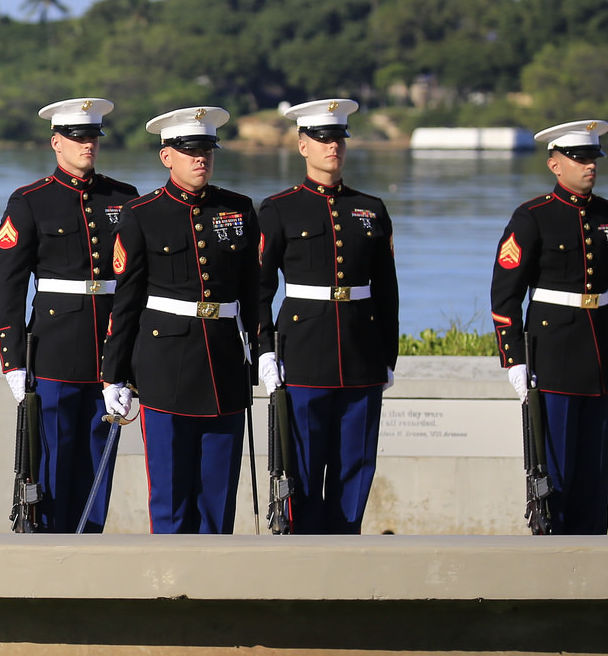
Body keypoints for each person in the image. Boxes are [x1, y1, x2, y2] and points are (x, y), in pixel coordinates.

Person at [100, 106, 261, 534]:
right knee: (171, 497)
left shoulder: (239, 209)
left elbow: (254, 294)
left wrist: (263, 352)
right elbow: (127, 300)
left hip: (224, 366)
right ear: (166, 156)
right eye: (189, 150)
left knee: (217, 497)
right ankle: (168, 589)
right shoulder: (143, 213)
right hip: (164, 365)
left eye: (207, 149)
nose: (201, 158)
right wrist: (113, 374)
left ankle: (215, 589)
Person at [0, 98, 140, 532]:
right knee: (52, 465)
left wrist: (130, 360)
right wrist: (13, 361)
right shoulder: (30, 201)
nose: (87, 145)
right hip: (55, 350)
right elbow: (9, 286)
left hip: (111, 348)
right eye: (77, 138)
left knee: (99, 465)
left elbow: (135, 283)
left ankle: (89, 548)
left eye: (92, 137)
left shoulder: (124, 198)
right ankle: (49, 549)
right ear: (57, 143)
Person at [253, 99, 400, 533]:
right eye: (321, 139)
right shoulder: (280, 209)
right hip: (302, 354)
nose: (332, 147)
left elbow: (387, 291)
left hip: (360, 356)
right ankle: (299, 549)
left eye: (337, 138)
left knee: (355, 464)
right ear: (302, 145)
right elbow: (260, 288)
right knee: (300, 464)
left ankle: (346, 543)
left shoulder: (371, 208)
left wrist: (387, 357)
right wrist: (264, 351)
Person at [490, 119, 608, 535]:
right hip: (553, 359)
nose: (590, 166)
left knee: (594, 478)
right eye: (580, 158)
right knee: (556, 476)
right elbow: (505, 295)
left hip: (599, 361)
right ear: (555, 164)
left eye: (593, 158)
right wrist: (513, 359)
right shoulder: (533, 217)